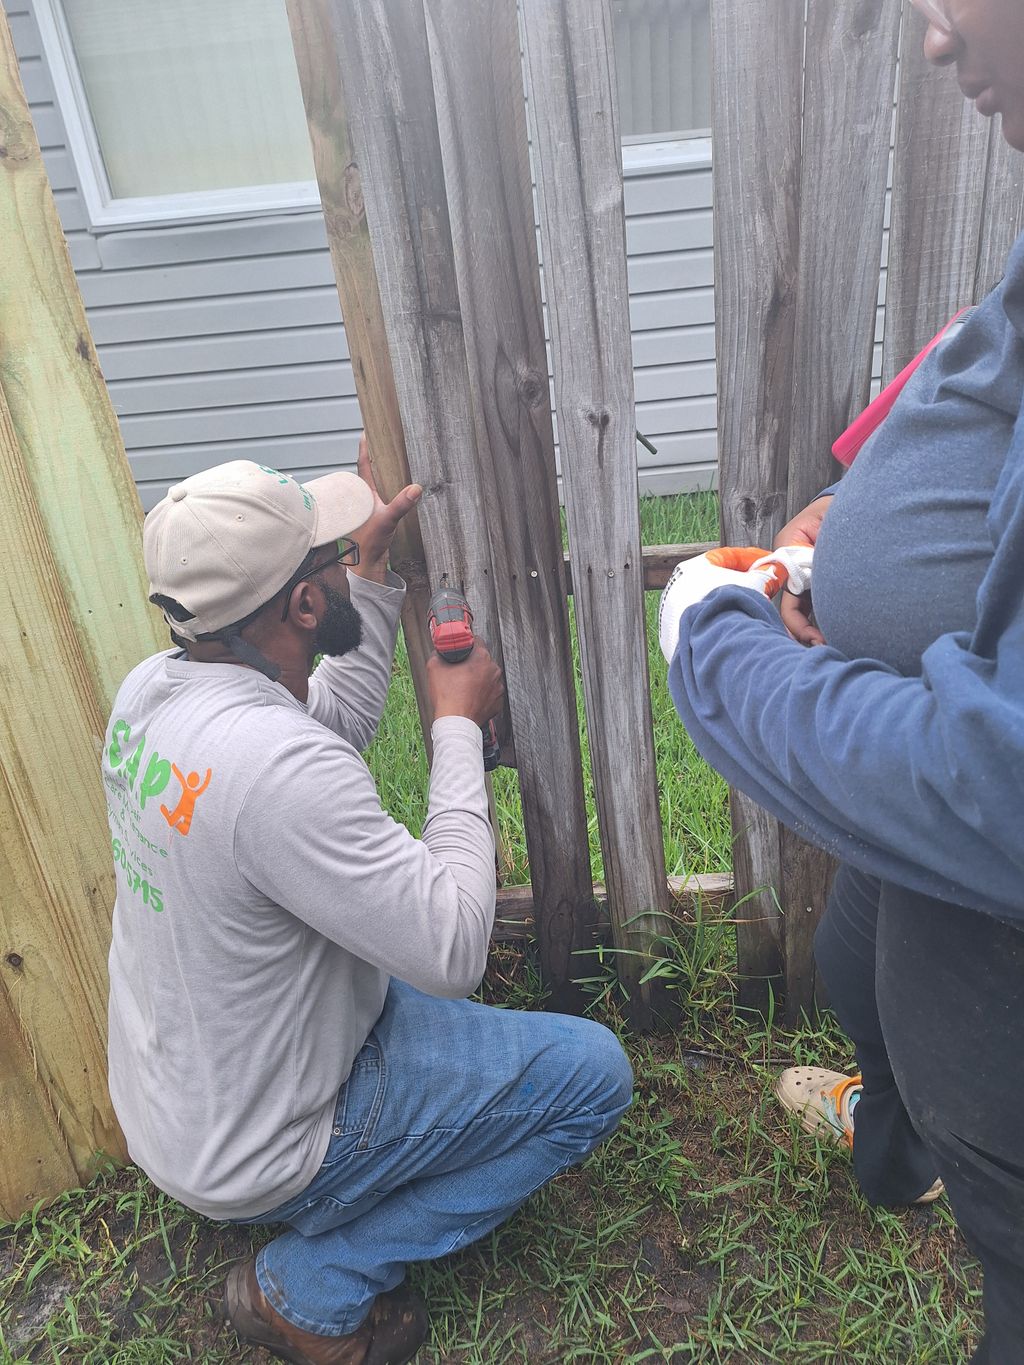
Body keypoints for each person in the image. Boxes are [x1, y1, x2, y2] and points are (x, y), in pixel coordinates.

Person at [660, 0, 1024, 1359]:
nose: (936, 42)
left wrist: (721, 642)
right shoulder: (998, 297)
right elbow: (890, 465)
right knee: (853, 960)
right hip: (919, 799)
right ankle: (898, 1141)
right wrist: (829, 545)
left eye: (956, 3)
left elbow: (1002, 788)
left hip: (971, 869)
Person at [103, 444, 633, 1365]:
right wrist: (457, 728)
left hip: (178, 1109)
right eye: (329, 560)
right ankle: (316, 1286)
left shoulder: (151, 695)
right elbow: (454, 945)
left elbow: (318, 731)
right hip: (273, 1146)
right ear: (305, 605)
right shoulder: (275, 772)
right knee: (592, 1075)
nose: (342, 560)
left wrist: (373, 576)